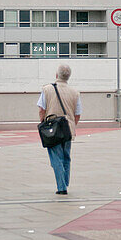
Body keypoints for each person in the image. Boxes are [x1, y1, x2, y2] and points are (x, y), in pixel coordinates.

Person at [37, 64, 81, 195]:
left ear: (57, 75)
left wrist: (43, 123)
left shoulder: (47, 89)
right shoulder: (75, 92)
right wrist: (73, 125)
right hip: (68, 128)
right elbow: (77, 113)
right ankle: (65, 182)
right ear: (68, 77)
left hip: (53, 128)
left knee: (56, 157)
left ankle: (62, 187)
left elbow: (41, 109)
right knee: (66, 156)